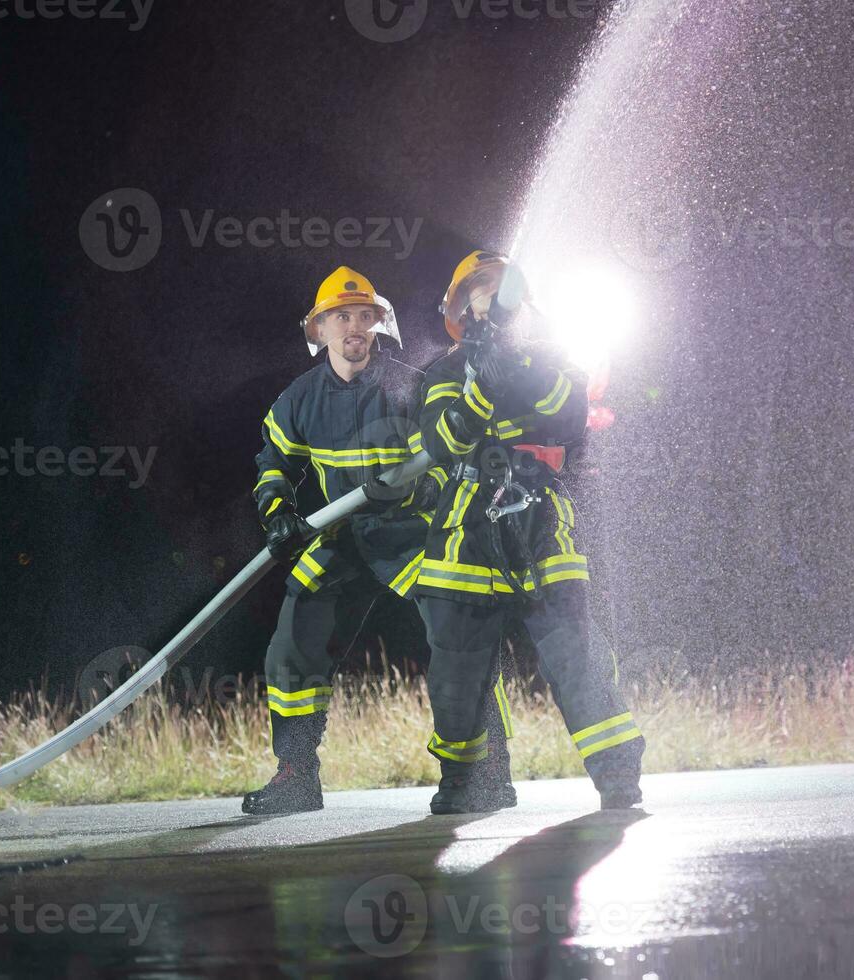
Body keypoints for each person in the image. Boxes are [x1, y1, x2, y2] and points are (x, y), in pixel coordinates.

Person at [241, 266, 515, 815]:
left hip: (416, 532)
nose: (354, 327)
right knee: (294, 637)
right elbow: (273, 463)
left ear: (379, 325)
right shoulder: (298, 400)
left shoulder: (413, 383)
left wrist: (417, 491)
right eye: (341, 317)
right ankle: (297, 777)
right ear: (318, 331)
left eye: (365, 316)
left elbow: (454, 455)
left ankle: (486, 772)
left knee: (460, 636)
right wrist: (278, 513)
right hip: (341, 537)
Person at [414, 249, 645, 814]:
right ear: (461, 304)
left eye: (502, 283)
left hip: (540, 508)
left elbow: (568, 418)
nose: (494, 292)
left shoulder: (554, 356)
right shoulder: (445, 371)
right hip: (466, 520)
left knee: (574, 650)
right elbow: (440, 443)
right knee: (457, 661)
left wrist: (519, 365)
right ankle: (472, 779)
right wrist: (481, 387)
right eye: (481, 285)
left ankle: (617, 772)